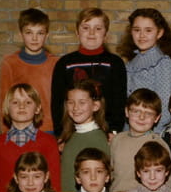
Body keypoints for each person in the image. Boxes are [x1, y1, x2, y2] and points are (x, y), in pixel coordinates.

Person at [51, 7, 127, 135]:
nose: (91, 33)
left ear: (106, 34)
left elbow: (119, 101)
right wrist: (60, 134)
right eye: (86, 28)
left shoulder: (115, 63)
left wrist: (114, 131)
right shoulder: (64, 63)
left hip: (106, 132)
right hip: (72, 132)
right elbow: (57, 103)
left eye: (98, 28)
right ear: (77, 32)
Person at [0, 8, 58, 133]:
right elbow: (4, 103)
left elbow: (61, 101)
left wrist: (62, 132)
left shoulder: (55, 63)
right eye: (29, 32)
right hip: (19, 129)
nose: (34, 38)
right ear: (21, 34)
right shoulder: (9, 63)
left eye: (40, 33)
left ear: (47, 35)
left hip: (50, 130)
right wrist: (5, 134)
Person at [117, 8, 171, 131]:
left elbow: (165, 108)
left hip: (150, 132)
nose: (142, 35)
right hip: (130, 130)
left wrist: (153, 135)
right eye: (137, 30)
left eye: (148, 30)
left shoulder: (162, 62)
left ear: (159, 33)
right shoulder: (131, 62)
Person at [109, 88, 170, 192]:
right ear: (127, 112)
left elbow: (166, 186)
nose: (141, 117)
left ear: (157, 118)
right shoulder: (117, 140)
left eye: (148, 113)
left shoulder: (159, 145)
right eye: (136, 111)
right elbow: (110, 173)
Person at [58, 79, 109, 192]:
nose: (75, 108)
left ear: (95, 106)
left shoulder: (98, 139)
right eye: (71, 102)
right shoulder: (70, 136)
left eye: (82, 102)